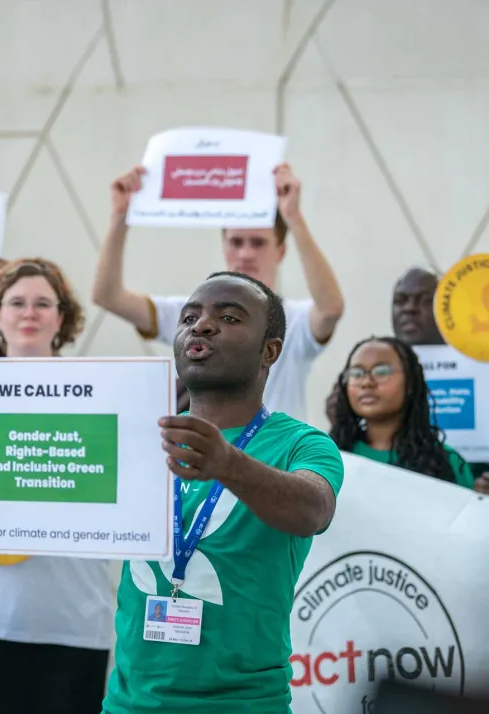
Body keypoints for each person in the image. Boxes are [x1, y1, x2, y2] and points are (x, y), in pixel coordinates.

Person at [102, 271, 344, 714]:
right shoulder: (135, 436)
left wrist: (228, 464)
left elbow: (315, 509)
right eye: (189, 317)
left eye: (228, 317)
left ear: (269, 350)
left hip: (244, 705)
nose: (201, 326)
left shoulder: (302, 445)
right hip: (126, 705)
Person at [92, 164, 344, 420]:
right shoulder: (196, 314)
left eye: (258, 243)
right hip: (207, 455)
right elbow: (108, 296)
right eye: (236, 242)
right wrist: (120, 217)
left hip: (275, 458)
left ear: (280, 250)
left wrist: (293, 217)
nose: (245, 254)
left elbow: (330, 309)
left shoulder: (295, 320)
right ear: (224, 247)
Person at [0, 258, 114, 714]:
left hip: (74, 621)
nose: (29, 312)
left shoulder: (105, 393)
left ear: (62, 317)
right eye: (16, 302)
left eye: (43, 303)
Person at [392, 267, 489, 493]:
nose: (409, 309)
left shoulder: (483, 365)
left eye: (424, 300)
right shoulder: (370, 368)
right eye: (401, 300)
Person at [330, 336, 474, 488]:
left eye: (382, 371)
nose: (367, 382)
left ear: (410, 382)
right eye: (357, 373)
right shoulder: (327, 456)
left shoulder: (446, 462)